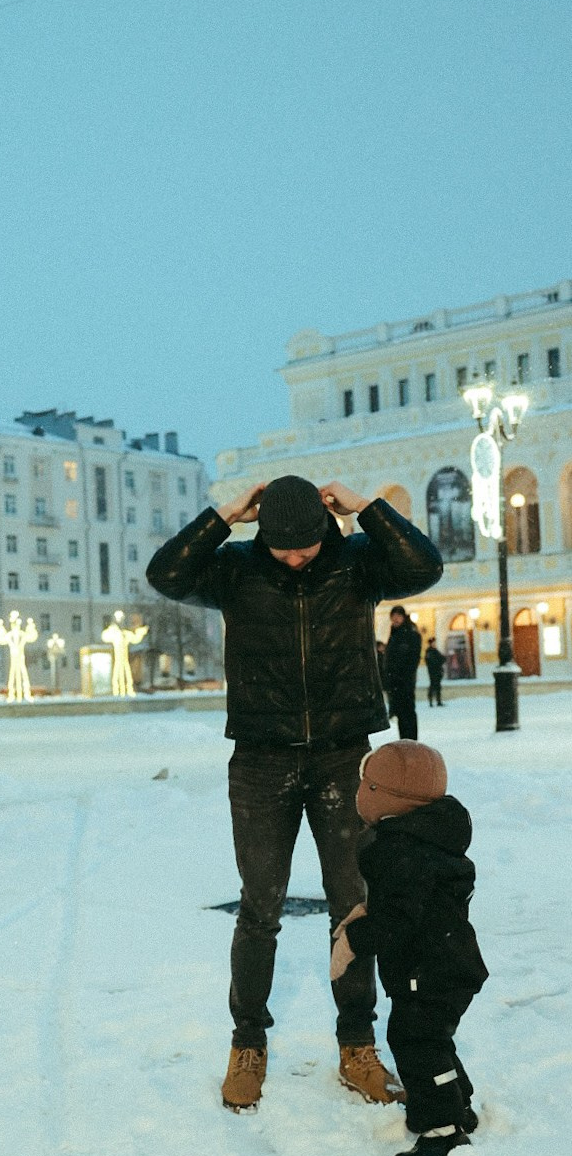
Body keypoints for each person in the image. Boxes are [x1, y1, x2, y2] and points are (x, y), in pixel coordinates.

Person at [146, 475, 443, 1112]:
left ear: (326, 528)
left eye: (307, 544)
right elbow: (166, 575)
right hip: (261, 758)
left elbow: (425, 564)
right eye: (283, 547)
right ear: (262, 533)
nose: (296, 557)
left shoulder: (357, 563)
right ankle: (246, 1044)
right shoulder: (234, 568)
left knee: (353, 905)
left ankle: (356, 1044)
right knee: (260, 908)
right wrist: (224, 516)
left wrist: (366, 508)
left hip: (341, 757)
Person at [331, 741, 488, 1156]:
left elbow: (397, 916)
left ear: (385, 797)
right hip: (449, 961)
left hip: (430, 969)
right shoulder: (429, 837)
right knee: (433, 1038)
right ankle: (459, 1104)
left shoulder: (400, 851)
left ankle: (441, 1130)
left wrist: (354, 940)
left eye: (367, 786)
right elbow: (410, 902)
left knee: (416, 1042)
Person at [383, 605, 422, 739]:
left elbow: (413, 658)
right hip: (394, 681)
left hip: (405, 680)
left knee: (408, 712)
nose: (395, 620)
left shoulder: (411, 634)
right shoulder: (394, 634)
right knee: (400, 712)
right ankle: (404, 739)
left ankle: (411, 740)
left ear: (403, 617)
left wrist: (405, 675)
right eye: (393, 618)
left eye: (398, 617)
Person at [424, 637, 446, 707]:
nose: (434, 644)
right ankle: (431, 701)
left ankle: (438, 701)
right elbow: (432, 662)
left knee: (438, 686)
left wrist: (440, 660)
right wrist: (439, 661)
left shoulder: (435, 651)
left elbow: (442, 658)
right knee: (433, 686)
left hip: (437, 671)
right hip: (433, 672)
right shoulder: (429, 651)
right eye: (433, 643)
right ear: (431, 643)